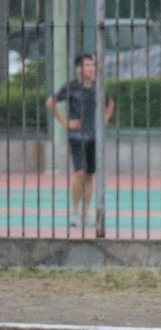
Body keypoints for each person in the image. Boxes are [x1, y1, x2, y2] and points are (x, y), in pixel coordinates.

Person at [45, 53, 114, 228]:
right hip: (77, 137)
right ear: (78, 69)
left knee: (90, 175)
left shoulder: (97, 88)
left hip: (93, 137)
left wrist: (104, 120)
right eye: (87, 65)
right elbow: (50, 102)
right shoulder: (72, 87)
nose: (91, 68)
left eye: (92, 65)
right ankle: (75, 212)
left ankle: (86, 213)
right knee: (79, 173)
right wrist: (66, 122)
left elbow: (110, 103)